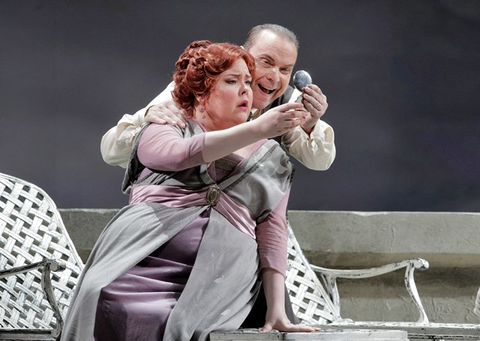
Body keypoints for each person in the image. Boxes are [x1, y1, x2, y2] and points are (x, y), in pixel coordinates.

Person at [61, 40, 319, 341]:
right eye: (232, 81)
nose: (246, 90)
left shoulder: (271, 156)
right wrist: (258, 128)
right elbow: (177, 155)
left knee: (175, 320)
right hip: (143, 255)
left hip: (220, 272)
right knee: (101, 296)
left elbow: (273, 230)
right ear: (201, 89)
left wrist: (277, 310)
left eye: (247, 82)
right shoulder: (167, 124)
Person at [100, 24, 336, 172]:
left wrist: (310, 124)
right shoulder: (197, 88)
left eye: (285, 70)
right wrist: (146, 120)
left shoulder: (287, 101)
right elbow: (112, 151)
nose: (275, 78)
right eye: (266, 62)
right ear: (244, 55)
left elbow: (319, 161)